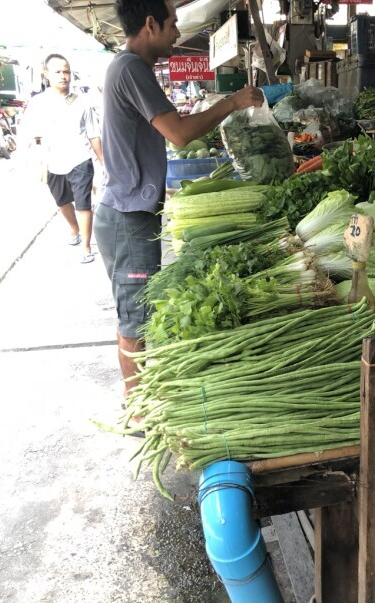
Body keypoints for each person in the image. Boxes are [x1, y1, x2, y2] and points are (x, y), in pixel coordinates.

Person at [94, 0, 264, 413]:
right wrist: (232, 102)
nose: (176, 34)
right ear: (149, 24)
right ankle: (137, 409)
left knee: (139, 312)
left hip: (131, 210)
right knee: (135, 318)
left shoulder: (129, 68)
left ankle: (142, 399)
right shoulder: (131, 67)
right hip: (127, 218)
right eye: (172, 24)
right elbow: (179, 133)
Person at [23, 54, 104, 263]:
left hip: (81, 159)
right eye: (58, 71)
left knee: (84, 204)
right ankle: (74, 228)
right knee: (62, 202)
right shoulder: (38, 103)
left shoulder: (82, 102)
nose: (63, 76)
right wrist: (32, 155)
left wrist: (103, 161)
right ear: (47, 74)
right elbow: (31, 134)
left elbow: (93, 133)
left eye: (66, 71)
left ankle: (86, 247)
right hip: (53, 161)